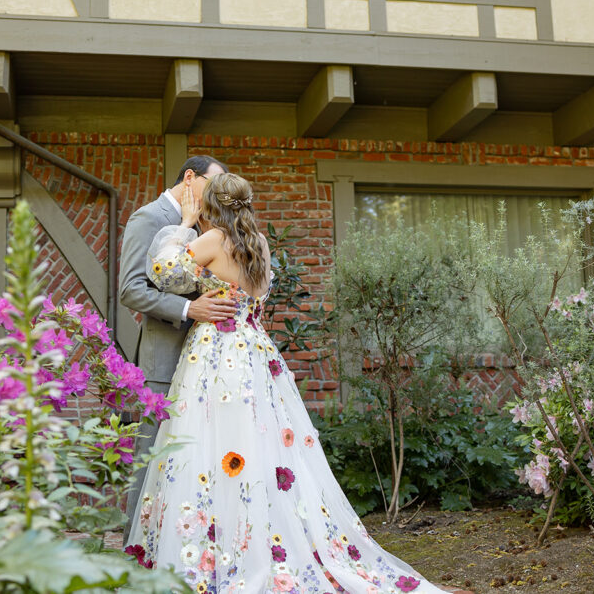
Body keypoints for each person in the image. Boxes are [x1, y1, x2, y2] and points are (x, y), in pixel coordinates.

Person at [125, 173, 440, 593]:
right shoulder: (259, 243)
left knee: (211, 445)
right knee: (260, 446)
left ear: (213, 205)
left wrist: (184, 221)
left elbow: (165, 271)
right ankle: (260, 538)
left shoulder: (213, 240)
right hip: (255, 352)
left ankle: (222, 548)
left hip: (217, 356)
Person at [119, 155, 239, 522]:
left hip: (205, 360)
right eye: (213, 184)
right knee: (152, 458)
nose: (218, 193)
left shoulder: (211, 223)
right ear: (190, 177)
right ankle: (133, 557)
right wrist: (190, 311)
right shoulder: (150, 218)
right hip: (165, 358)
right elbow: (131, 290)